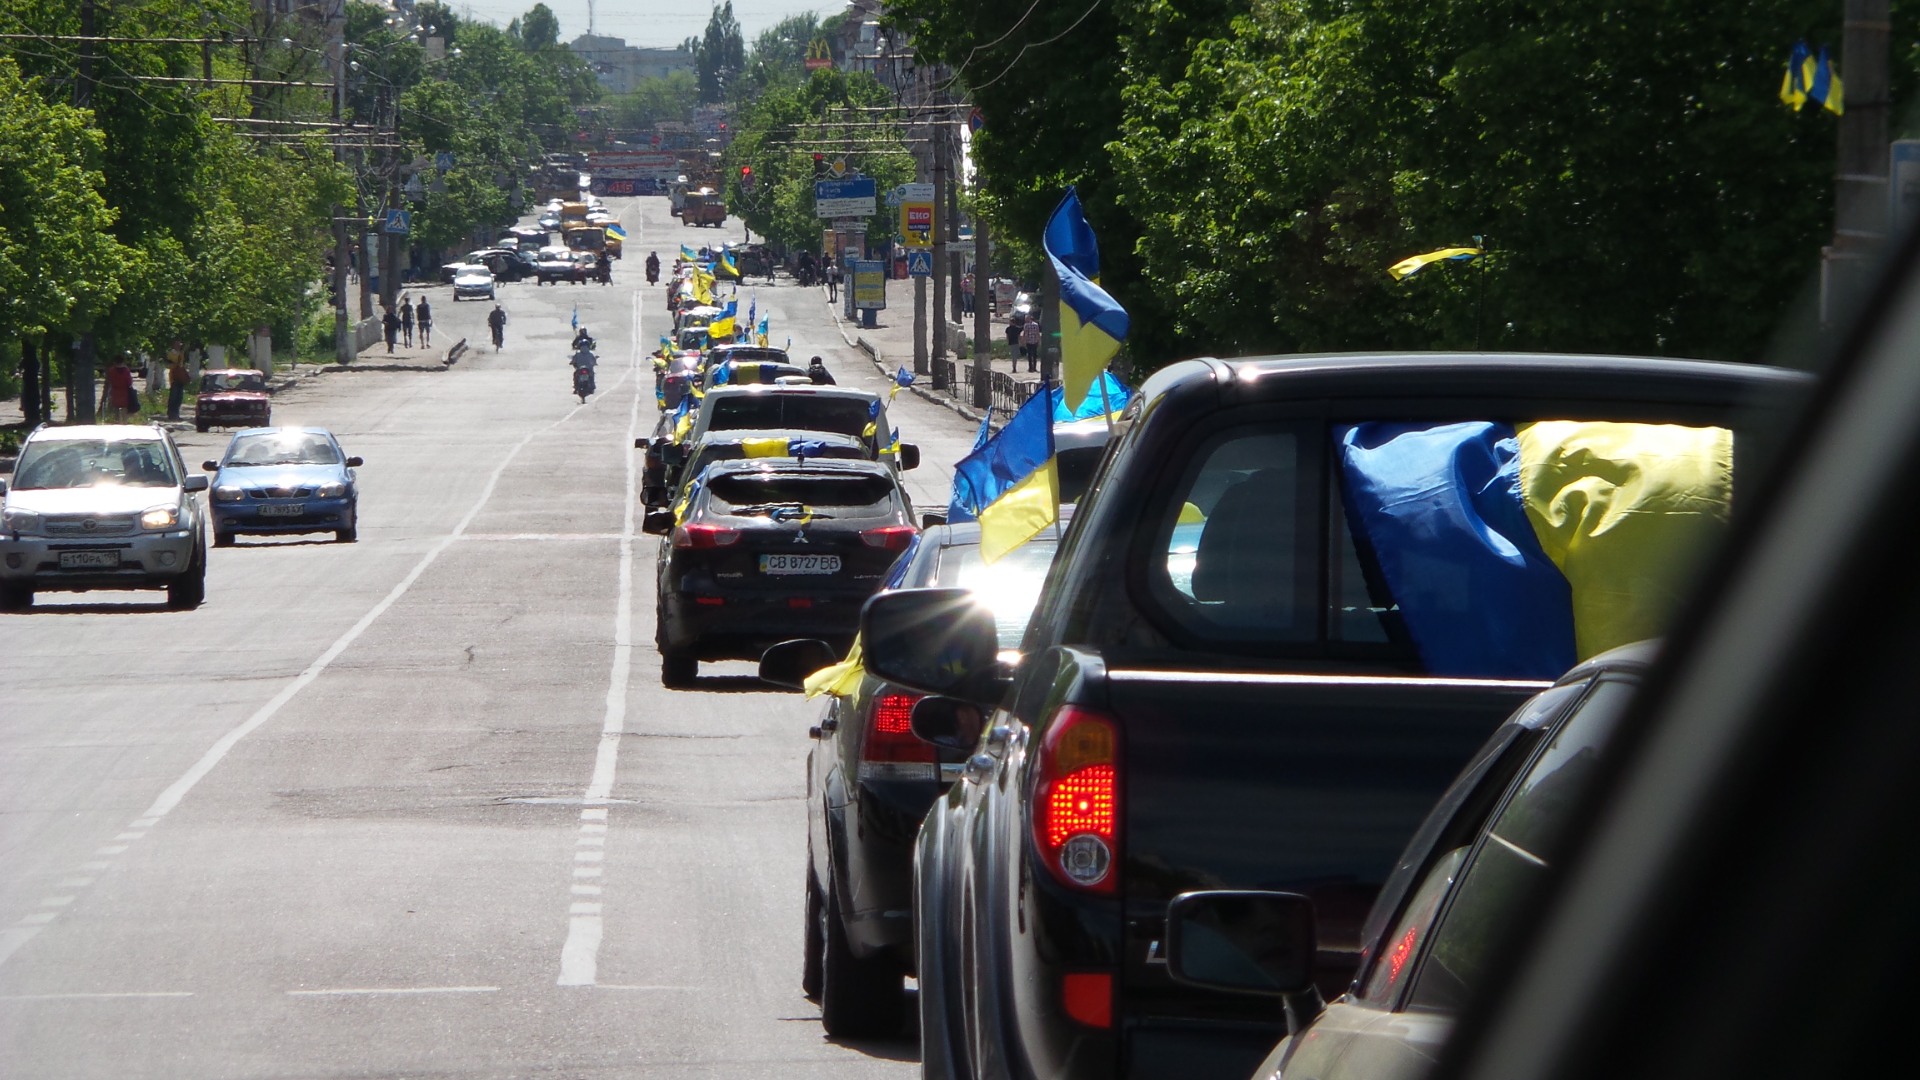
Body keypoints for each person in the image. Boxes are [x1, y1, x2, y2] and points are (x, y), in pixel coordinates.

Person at [102, 355, 136, 420]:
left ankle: (117, 421)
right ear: (123, 361)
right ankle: (125, 421)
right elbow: (129, 382)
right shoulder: (126, 371)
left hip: (115, 390)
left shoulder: (112, 370)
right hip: (124, 391)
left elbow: (110, 380)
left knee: (116, 407)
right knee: (124, 407)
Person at [166, 340, 188, 421]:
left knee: (179, 397)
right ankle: (171, 414)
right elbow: (171, 363)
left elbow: (182, 363)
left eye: (179, 345)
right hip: (174, 377)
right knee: (173, 396)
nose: (179, 346)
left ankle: (176, 414)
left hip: (180, 377)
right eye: (177, 345)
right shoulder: (171, 353)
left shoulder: (181, 353)